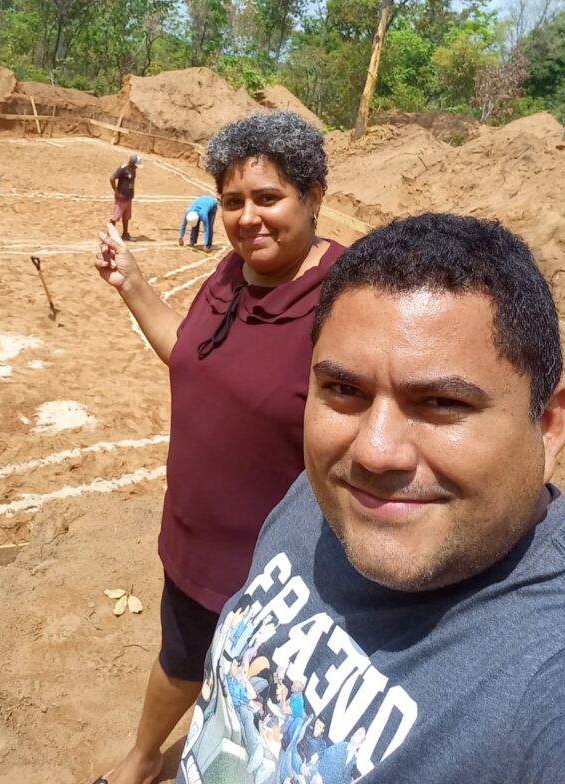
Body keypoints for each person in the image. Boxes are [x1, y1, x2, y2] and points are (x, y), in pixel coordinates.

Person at [178, 213, 565, 784]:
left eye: (440, 402)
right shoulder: (332, 490)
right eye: (343, 390)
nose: (373, 450)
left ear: (549, 425)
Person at [92, 111, 346, 784]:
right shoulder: (230, 274)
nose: (247, 217)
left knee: (263, 702)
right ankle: (144, 760)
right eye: (233, 201)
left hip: (278, 570)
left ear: (314, 196)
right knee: (181, 655)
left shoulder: (346, 300)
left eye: (268, 198)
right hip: (195, 538)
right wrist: (133, 284)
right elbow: (190, 356)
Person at [110, 154, 142, 240]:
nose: (136, 167)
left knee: (126, 217)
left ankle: (125, 234)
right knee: (115, 217)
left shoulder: (133, 170)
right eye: (136, 165)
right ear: (131, 162)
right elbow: (112, 178)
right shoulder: (123, 168)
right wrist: (116, 192)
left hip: (128, 197)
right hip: (121, 197)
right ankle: (109, 235)